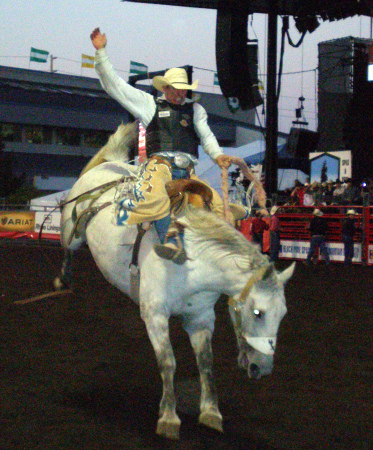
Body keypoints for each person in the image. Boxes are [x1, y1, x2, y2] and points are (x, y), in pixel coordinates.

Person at [90, 28, 232, 264]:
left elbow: (206, 136)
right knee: (156, 197)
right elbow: (116, 86)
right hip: (160, 167)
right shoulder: (149, 104)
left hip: (187, 171)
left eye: (183, 88)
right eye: (175, 88)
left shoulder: (196, 110)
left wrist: (218, 156)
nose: (180, 92)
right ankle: (172, 242)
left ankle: (223, 253)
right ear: (165, 88)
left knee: (216, 203)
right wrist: (102, 52)